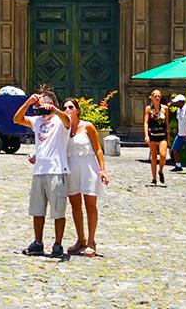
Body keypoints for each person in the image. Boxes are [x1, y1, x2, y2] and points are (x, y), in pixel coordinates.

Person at [14, 89, 72, 260]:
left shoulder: (60, 121)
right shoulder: (37, 121)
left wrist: (54, 110)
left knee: (58, 210)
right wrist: (27, 103)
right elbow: (16, 119)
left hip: (56, 169)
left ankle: (58, 244)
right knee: (37, 209)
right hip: (39, 170)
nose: (40, 111)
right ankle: (38, 242)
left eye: (42, 108)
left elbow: (68, 120)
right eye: (37, 108)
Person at [62, 97, 108, 256]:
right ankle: (81, 239)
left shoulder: (88, 126)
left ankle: (91, 241)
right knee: (75, 204)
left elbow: (98, 149)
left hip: (89, 168)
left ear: (77, 110)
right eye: (65, 108)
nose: (68, 110)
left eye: (70, 107)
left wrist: (102, 170)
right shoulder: (63, 129)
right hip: (72, 169)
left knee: (90, 203)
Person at [143, 89, 169, 186]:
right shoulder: (148, 109)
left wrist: (168, 135)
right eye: (155, 96)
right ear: (152, 98)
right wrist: (146, 135)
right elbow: (145, 122)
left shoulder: (165, 108)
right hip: (152, 134)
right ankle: (154, 178)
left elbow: (167, 123)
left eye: (159, 96)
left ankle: (161, 170)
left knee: (163, 155)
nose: (157, 98)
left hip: (162, 134)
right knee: (154, 157)